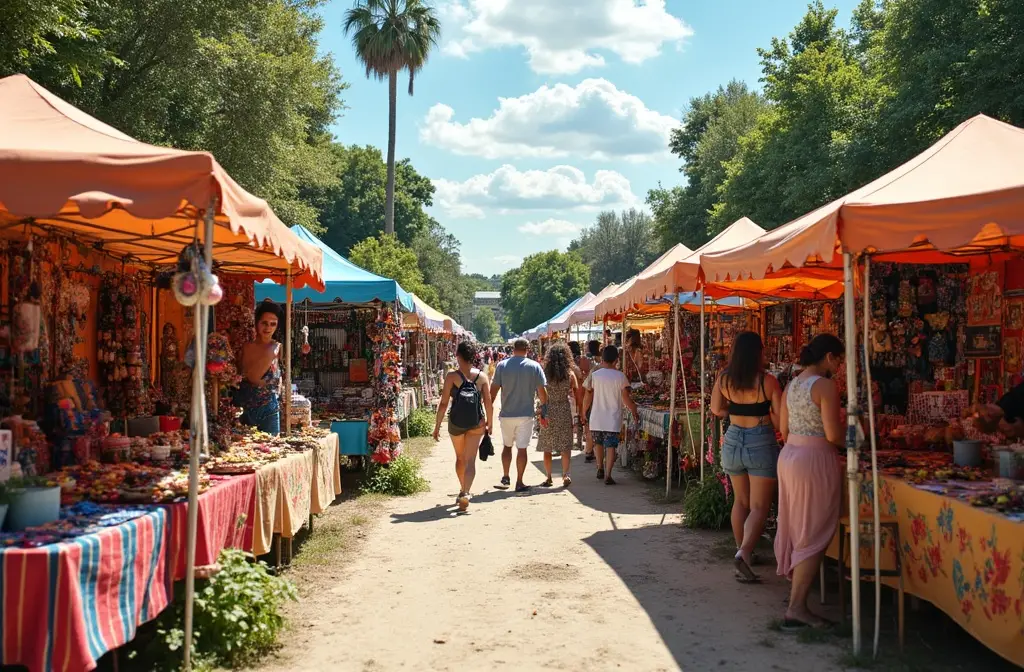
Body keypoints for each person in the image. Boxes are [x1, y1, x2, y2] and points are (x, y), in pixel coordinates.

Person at [775, 334, 845, 629]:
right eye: (839, 359)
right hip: (814, 461)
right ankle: (797, 607)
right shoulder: (826, 386)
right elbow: (833, 435)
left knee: (800, 526)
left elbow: (783, 427)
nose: (840, 366)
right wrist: (856, 435)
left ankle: (797, 602)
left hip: (790, 456)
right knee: (813, 531)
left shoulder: (792, 384)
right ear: (829, 357)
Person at [710, 331, 782, 583]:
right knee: (760, 506)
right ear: (758, 352)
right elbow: (780, 421)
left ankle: (743, 553)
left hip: (732, 439)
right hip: (760, 440)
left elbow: (716, 409)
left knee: (740, 501)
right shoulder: (768, 381)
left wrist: (736, 408)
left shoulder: (724, 379)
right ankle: (744, 553)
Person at [433, 341, 493, 512]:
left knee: (460, 458)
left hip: (456, 423)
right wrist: (490, 423)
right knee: (470, 460)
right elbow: (488, 403)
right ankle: (466, 492)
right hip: (477, 423)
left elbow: (444, 403)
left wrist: (437, 426)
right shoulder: (482, 377)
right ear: (474, 356)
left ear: (458, 356)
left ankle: (462, 489)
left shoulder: (452, 376)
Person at [491, 338, 548, 491]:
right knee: (522, 449)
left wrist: (488, 410)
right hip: (525, 415)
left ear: (513, 348)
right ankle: (519, 481)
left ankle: (505, 476)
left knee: (507, 446)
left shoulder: (502, 366)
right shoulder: (534, 366)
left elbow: (493, 391)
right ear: (528, 349)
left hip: (506, 414)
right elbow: (542, 393)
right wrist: (544, 410)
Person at [582, 345, 638, 485]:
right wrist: (634, 410)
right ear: (616, 360)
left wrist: (584, 411)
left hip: (596, 417)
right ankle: (608, 475)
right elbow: (625, 398)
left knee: (598, 443)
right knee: (611, 446)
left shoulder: (595, 375)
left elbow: (588, 395)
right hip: (612, 418)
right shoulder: (620, 376)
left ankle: (599, 467)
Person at [236, 301, 283, 435]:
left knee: (273, 449)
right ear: (257, 322)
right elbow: (249, 377)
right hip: (245, 408)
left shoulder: (278, 348)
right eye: (264, 323)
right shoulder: (247, 347)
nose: (268, 328)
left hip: (269, 409)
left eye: (273, 324)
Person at [537, 342, 579, 487]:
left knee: (547, 446)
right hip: (564, 409)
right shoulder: (570, 374)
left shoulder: (544, 374)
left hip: (548, 409)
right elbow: (575, 393)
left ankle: (548, 477)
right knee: (565, 445)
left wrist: (542, 409)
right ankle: (565, 474)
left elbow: (539, 392)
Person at [581, 340, 602, 462]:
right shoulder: (608, 366)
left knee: (590, 428)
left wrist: (583, 410)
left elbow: (588, 391)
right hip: (605, 403)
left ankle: (589, 451)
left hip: (592, 400)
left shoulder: (589, 363)